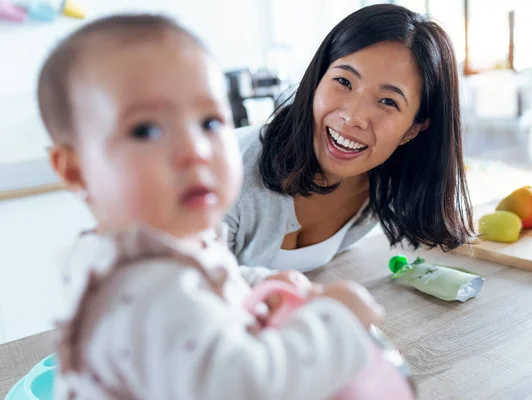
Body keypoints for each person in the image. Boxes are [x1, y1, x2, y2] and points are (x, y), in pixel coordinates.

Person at [38, 14, 387, 399]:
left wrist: (258, 282)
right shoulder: (146, 289)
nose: (196, 151)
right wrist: (337, 322)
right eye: (146, 130)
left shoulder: (163, 243)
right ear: (76, 170)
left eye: (209, 122)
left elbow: (210, 280)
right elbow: (248, 387)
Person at [225, 4, 474, 272]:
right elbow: (184, 290)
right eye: (344, 82)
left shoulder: (380, 188)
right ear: (318, 77)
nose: (353, 116)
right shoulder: (229, 174)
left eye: (388, 101)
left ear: (414, 128)